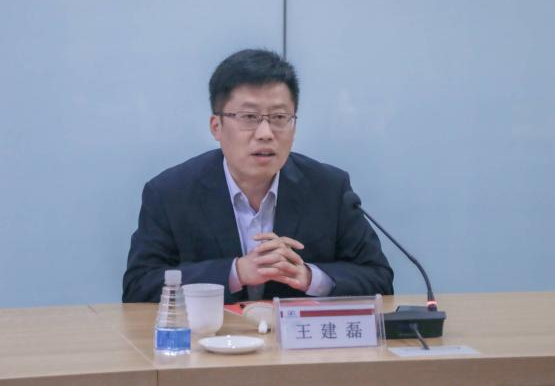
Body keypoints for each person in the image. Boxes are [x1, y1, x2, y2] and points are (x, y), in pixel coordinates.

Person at [122, 49, 393, 304]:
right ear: (216, 126)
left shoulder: (330, 189)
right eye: (249, 117)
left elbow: (380, 279)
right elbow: (139, 286)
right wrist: (235, 272)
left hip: (296, 340)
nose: (265, 133)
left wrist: (311, 278)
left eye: (279, 117)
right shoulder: (171, 193)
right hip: (209, 337)